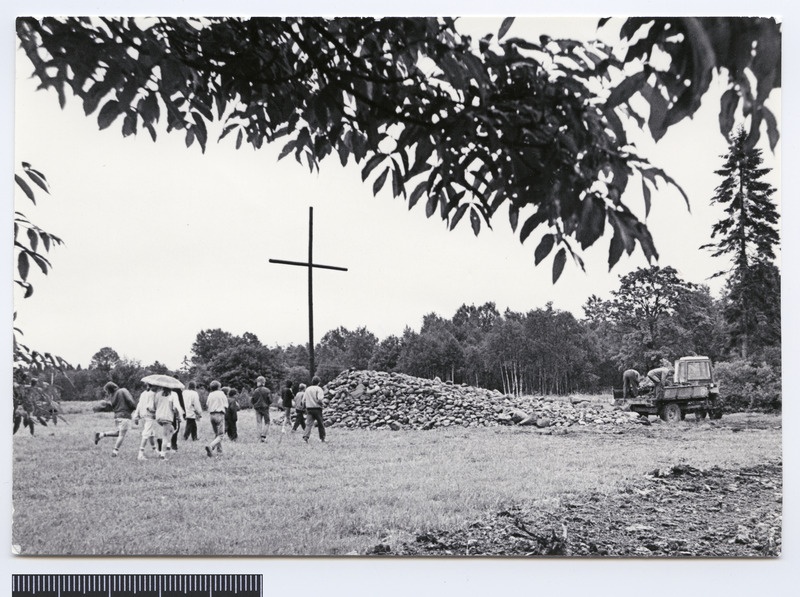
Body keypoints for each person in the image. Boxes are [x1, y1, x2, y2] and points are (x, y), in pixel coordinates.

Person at [93, 382, 137, 457]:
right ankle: (115, 451)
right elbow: (130, 401)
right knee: (122, 435)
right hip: (125, 416)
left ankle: (101, 435)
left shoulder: (112, 396)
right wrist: (134, 407)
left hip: (117, 416)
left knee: (119, 433)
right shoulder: (123, 390)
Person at [153, 386, 184, 459]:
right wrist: (179, 416)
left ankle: (167, 445)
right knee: (165, 436)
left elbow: (155, 405)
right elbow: (176, 407)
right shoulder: (173, 394)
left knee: (172, 430)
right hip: (167, 417)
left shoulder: (158, 394)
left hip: (158, 416)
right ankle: (162, 455)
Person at [133, 384, 158, 460]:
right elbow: (150, 407)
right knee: (146, 434)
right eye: (156, 386)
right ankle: (140, 454)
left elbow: (139, 405)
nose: (157, 388)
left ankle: (154, 450)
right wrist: (156, 412)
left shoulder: (143, 393)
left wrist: (136, 416)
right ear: (152, 386)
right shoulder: (153, 394)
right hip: (149, 416)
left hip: (142, 416)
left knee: (151, 433)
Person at [205, 380, 228, 457]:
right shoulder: (222, 394)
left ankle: (219, 451)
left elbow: (207, 404)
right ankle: (211, 446)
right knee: (221, 435)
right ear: (219, 387)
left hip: (211, 415)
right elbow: (226, 405)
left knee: (217, 434)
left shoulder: (210, 394)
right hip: (219, 414)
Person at [302, 376, 326, 443]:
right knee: (320, 423)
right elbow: (320, 399)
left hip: (309, 408)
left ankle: (305, 437)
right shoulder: (319, 389)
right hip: (317, 408)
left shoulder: (307, 389)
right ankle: (322, 438)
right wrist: (323, 404)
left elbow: (303, 400)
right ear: (318, 382)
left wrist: (304, 408)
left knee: (308, 424)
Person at [251, 376, 272, 442]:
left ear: (258, 382)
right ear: (263, 382)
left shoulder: (255, 391)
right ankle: (263, 436)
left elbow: (252, 400)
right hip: (265, 408)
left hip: (257, 408)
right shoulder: (267, 390)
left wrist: (255, 404)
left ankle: (259, 437)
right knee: (267, 422)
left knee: (259, 422)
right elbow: (270, 400)